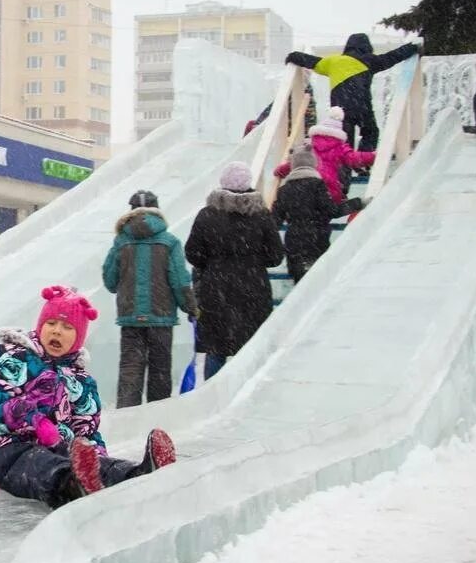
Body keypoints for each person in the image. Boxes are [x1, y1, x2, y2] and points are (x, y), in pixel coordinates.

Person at [0, 285, 178, 507]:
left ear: (78, 338)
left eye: (67, 327)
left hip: (60, 448)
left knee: (95, 465)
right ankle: (71, 484)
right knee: (37, 464)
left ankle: (138, 475)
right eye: (51, 323)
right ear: (40, 326)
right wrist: (33, 420)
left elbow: (86, 427)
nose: (57, 331)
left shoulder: (80, 380)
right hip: (4, 445)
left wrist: (95, 457)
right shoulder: (14, 355)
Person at [185, 162, 284, 379]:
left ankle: (213, 396)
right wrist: (254, 262)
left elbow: (193, 253)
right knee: (250, 348)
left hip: (216, 290)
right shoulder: (261, 215)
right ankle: (246, 394)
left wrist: (212, 263)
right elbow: (276, 256)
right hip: (253, 290)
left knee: (215, 349)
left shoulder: (207, 214)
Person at [102, 189, 198, 408]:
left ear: (131, 211)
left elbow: (109, 280)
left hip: (131, 318)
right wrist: (191, 307)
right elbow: (180, 280)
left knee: (130, 370)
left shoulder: (121, 241)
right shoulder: (169, 241)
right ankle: (157, 420)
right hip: (161, 319)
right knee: (160, 372)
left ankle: (126, 421)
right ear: (157, 210)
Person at [285, 34, 420, 151]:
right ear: (367, 47)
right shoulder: (371, 61)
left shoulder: (333, 61)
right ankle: (363, 164)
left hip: (340, 110)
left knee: (344, 139)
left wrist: (293, 56)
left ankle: (344, 173)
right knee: (371, 132)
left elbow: (311, 61)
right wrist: (412, 47)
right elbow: (393, 56)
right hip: (362, 107)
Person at [271, 146, 366, 283]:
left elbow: (275, 220)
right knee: (317, 283)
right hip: (317, 238)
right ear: (313, 165)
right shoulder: (317, 185)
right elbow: (332, 211)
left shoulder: (283, 190)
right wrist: (357, 203)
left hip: (294, 241)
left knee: (299, 286)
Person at [274, 108, 375, 204]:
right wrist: (373, 156)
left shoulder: (309, 147)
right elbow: (354, 158)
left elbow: (294, 164)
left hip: (306, 191)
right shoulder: (339, 147)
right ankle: (352, 203)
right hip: (328, 192)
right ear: (339, 133)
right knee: (335, 191)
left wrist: (280, 171)